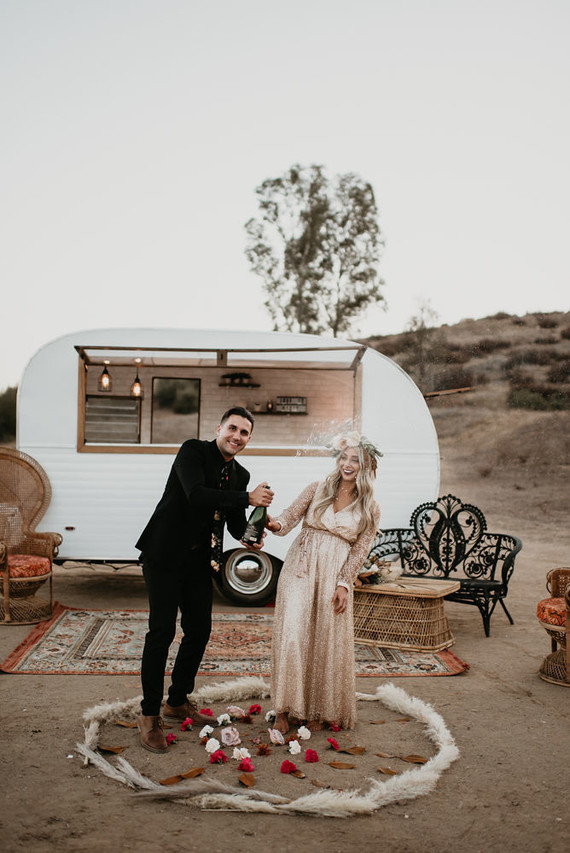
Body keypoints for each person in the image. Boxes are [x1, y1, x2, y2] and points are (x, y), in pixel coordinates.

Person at [135, 406, 274, 753]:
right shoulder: (192, 451)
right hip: (164, 555)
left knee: (199, 630)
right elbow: (196, 494)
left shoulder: (240, 474)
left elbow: (233, 522)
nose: (237, 436)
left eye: (244, 433)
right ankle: (149, 715)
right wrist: (247, 497)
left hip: (199, 560)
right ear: (219, 428)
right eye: (233, 428)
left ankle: (177, 701)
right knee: (162, 631)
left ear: (248, 439)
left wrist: (255, 529)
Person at [266, 432, 381, 733]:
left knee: (322, 638)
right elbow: (288, 518)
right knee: (293, 632)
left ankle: (315, 707)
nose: (347, 463)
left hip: (334, 573)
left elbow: (360, 549)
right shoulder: (317, 488)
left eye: (355, 459)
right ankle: (283, 707)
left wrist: (345, 583)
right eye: (344, 457)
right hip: (300, 567)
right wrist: (271, 522)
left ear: (366, 466)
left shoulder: (370, 508)